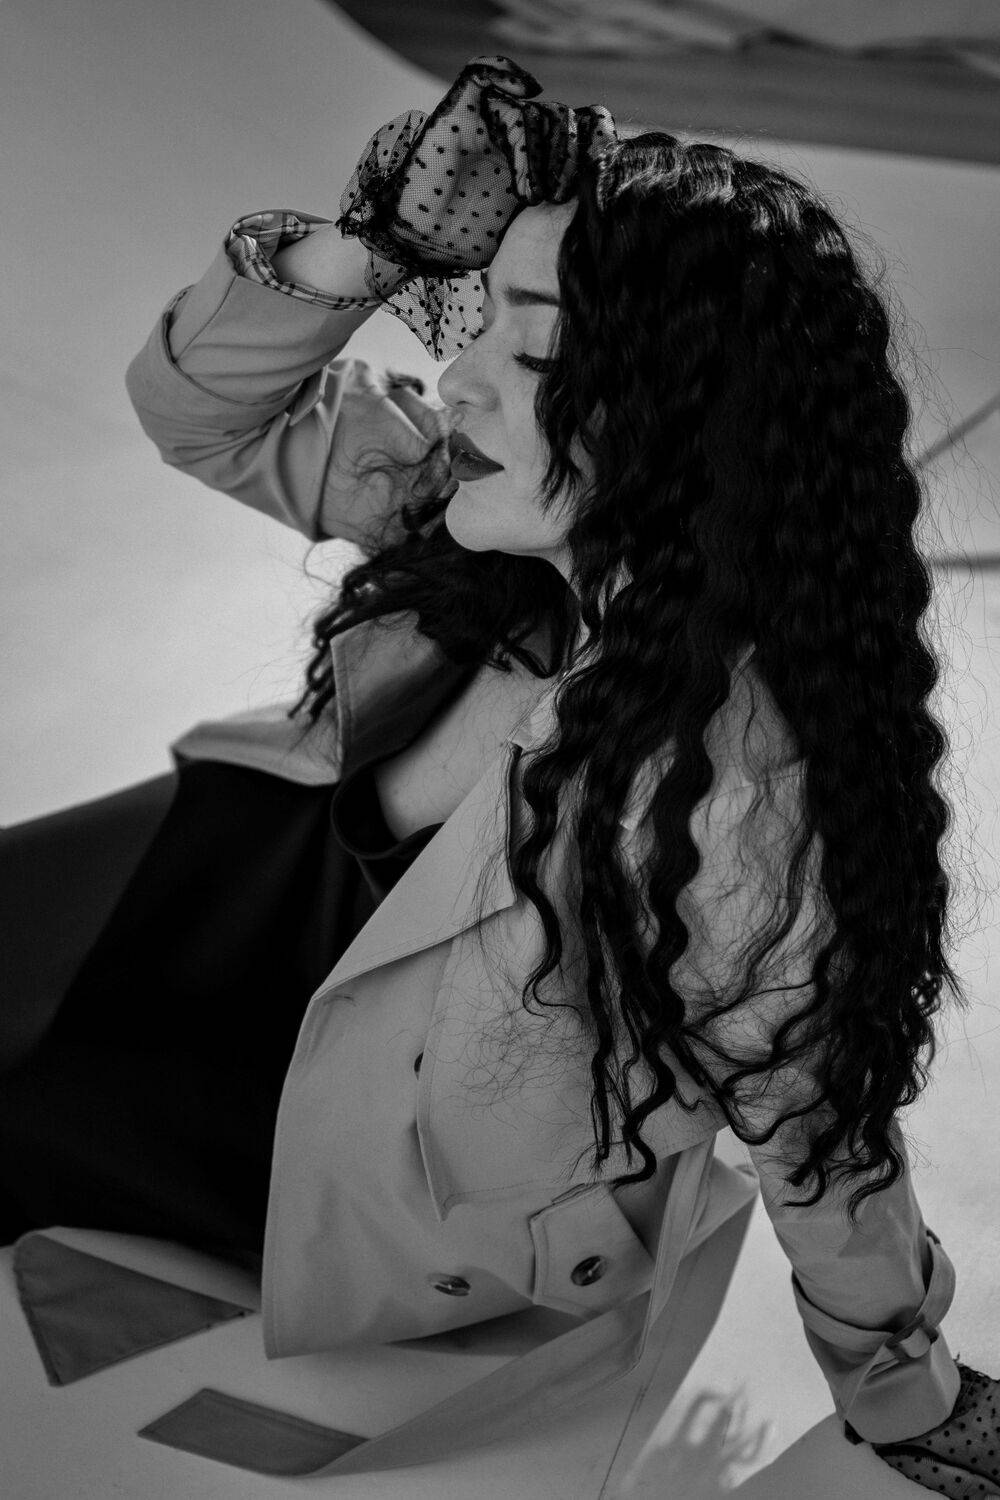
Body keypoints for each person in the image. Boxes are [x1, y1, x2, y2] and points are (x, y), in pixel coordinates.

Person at [1, 53, 996, 1495]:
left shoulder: (734, 810)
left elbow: (817, 1132)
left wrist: (904, 1387)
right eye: (478, 317)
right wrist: (374, 247)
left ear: (678, 423)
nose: (456, 374)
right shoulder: (478, 515)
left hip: (283, 1124)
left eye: (533, 358)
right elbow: (198, 408)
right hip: (197, 907)